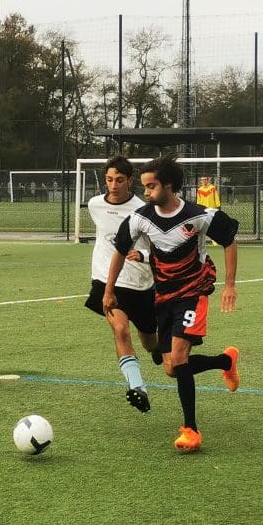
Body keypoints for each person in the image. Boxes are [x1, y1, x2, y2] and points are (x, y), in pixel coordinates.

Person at [105, 153, 240, 453]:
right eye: (144, 187)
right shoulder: (141, 218)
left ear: (168, 186)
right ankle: (225, 361)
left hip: (193, 293)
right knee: (171, 369)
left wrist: (230, 284)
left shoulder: (200, 215)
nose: (146, 192)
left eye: (151, 187)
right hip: (162, 297)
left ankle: (191, 430)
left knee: (178, 360)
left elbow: (229, 239)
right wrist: (109, 289)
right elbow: (119, 249)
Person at [85, 155, 159, 413]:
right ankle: (137, 387)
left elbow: (159, 247)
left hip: (140, 283)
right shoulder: (94, 204)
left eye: (119, 180)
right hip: (106, 279)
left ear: (130, 181)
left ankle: (157, 350)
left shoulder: (143, 210)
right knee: (121, 330)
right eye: (108, 180)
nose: (113, 186)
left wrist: (145, 256)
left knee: (151, 343)